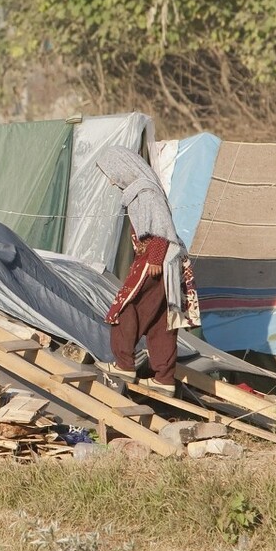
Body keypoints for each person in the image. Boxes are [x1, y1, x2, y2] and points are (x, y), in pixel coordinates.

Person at [95, 146, 201, 397]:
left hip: (156, 259)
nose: (112, 180)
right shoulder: (141, 191)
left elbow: (162, 227)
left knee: (125, 306)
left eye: (112, 173)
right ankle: (163, 379)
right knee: (160, 321)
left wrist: (154, 257)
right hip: (166, 261)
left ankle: (123, 364)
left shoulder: (145, 191)